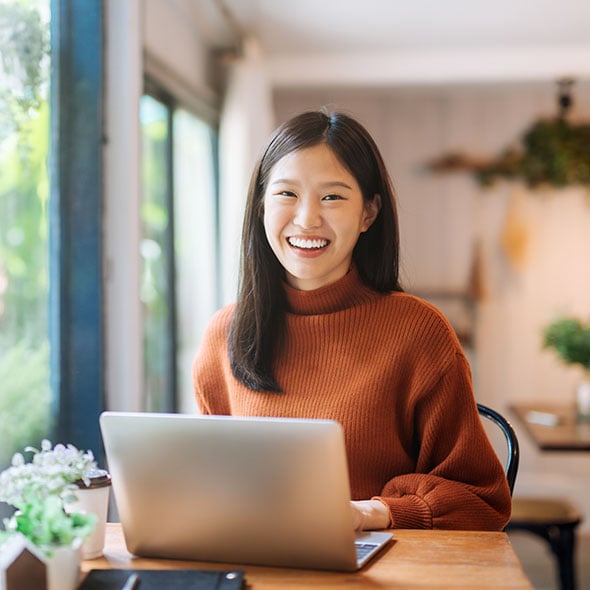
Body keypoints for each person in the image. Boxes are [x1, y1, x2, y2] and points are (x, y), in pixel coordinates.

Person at [192, 110, 511, 532]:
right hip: (255, 559)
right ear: (260, 206)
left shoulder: (418, 332)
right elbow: (209, 482)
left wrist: (374, 513)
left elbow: (482, 499)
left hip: (379, 567)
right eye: (286, 194)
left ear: (369, 213)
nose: (307, 219)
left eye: (332, 197)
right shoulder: (224, 334)